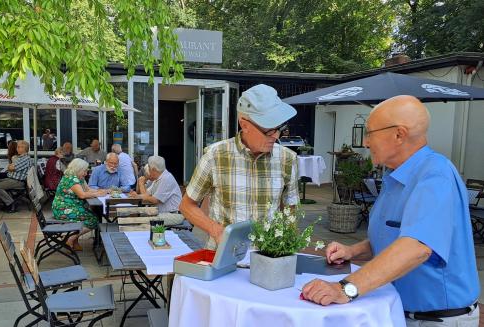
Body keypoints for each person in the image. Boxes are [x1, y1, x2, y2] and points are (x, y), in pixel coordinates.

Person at [302, 95, 480, 326]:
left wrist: (345, 289)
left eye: (370, 133)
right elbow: (392, 236)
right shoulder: (395, 176)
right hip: (398, 312)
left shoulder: (435, 175)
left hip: (435, 320)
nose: (365, 143)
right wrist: (352, 251)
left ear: (399, 134)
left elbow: (415, 248)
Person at [179, 84, 300, 249]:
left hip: (267, 257)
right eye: (269, 131)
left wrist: (286, 248)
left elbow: (290, 209)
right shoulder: (216, 156)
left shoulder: (287, 158)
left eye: (279, 129)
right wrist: (216, 231)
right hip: (223, 258)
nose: (276, 136)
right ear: (245, 124)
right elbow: (186, 205)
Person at [52, 158, 106, 251]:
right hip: (63, 209)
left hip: (72, 207)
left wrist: (102, 191)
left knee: (91, 215)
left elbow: (87, 190)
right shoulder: (72, 178)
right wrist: (98, 194)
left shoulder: (78, 177)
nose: (86, 173)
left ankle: (74, 240)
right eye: (84, 171)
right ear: (78, 169)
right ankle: (70, 238)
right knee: (93, 219)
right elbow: (82, 195)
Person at [130, 156, 184, 226]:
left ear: (153, 169)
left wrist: (140, 196)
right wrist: (137, 196)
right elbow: (147, 194)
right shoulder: (159, 178)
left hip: (173, 214)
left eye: (149, 168)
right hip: (164, 213)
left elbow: (155, 200)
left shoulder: (166, 178)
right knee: (134, 215)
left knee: (142, 220)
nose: (148, 170)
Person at [0, 140, 32, 213]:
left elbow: (11, 168)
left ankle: (10, 203)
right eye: (17, 147)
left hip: (18, 181)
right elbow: (10, 167)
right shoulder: (19, 157)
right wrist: (10, 167)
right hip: (11, 178)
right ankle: (6, 202)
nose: (17, 149)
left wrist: (11, 166)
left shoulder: (25, 158)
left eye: (19, 147)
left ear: (24, 148)